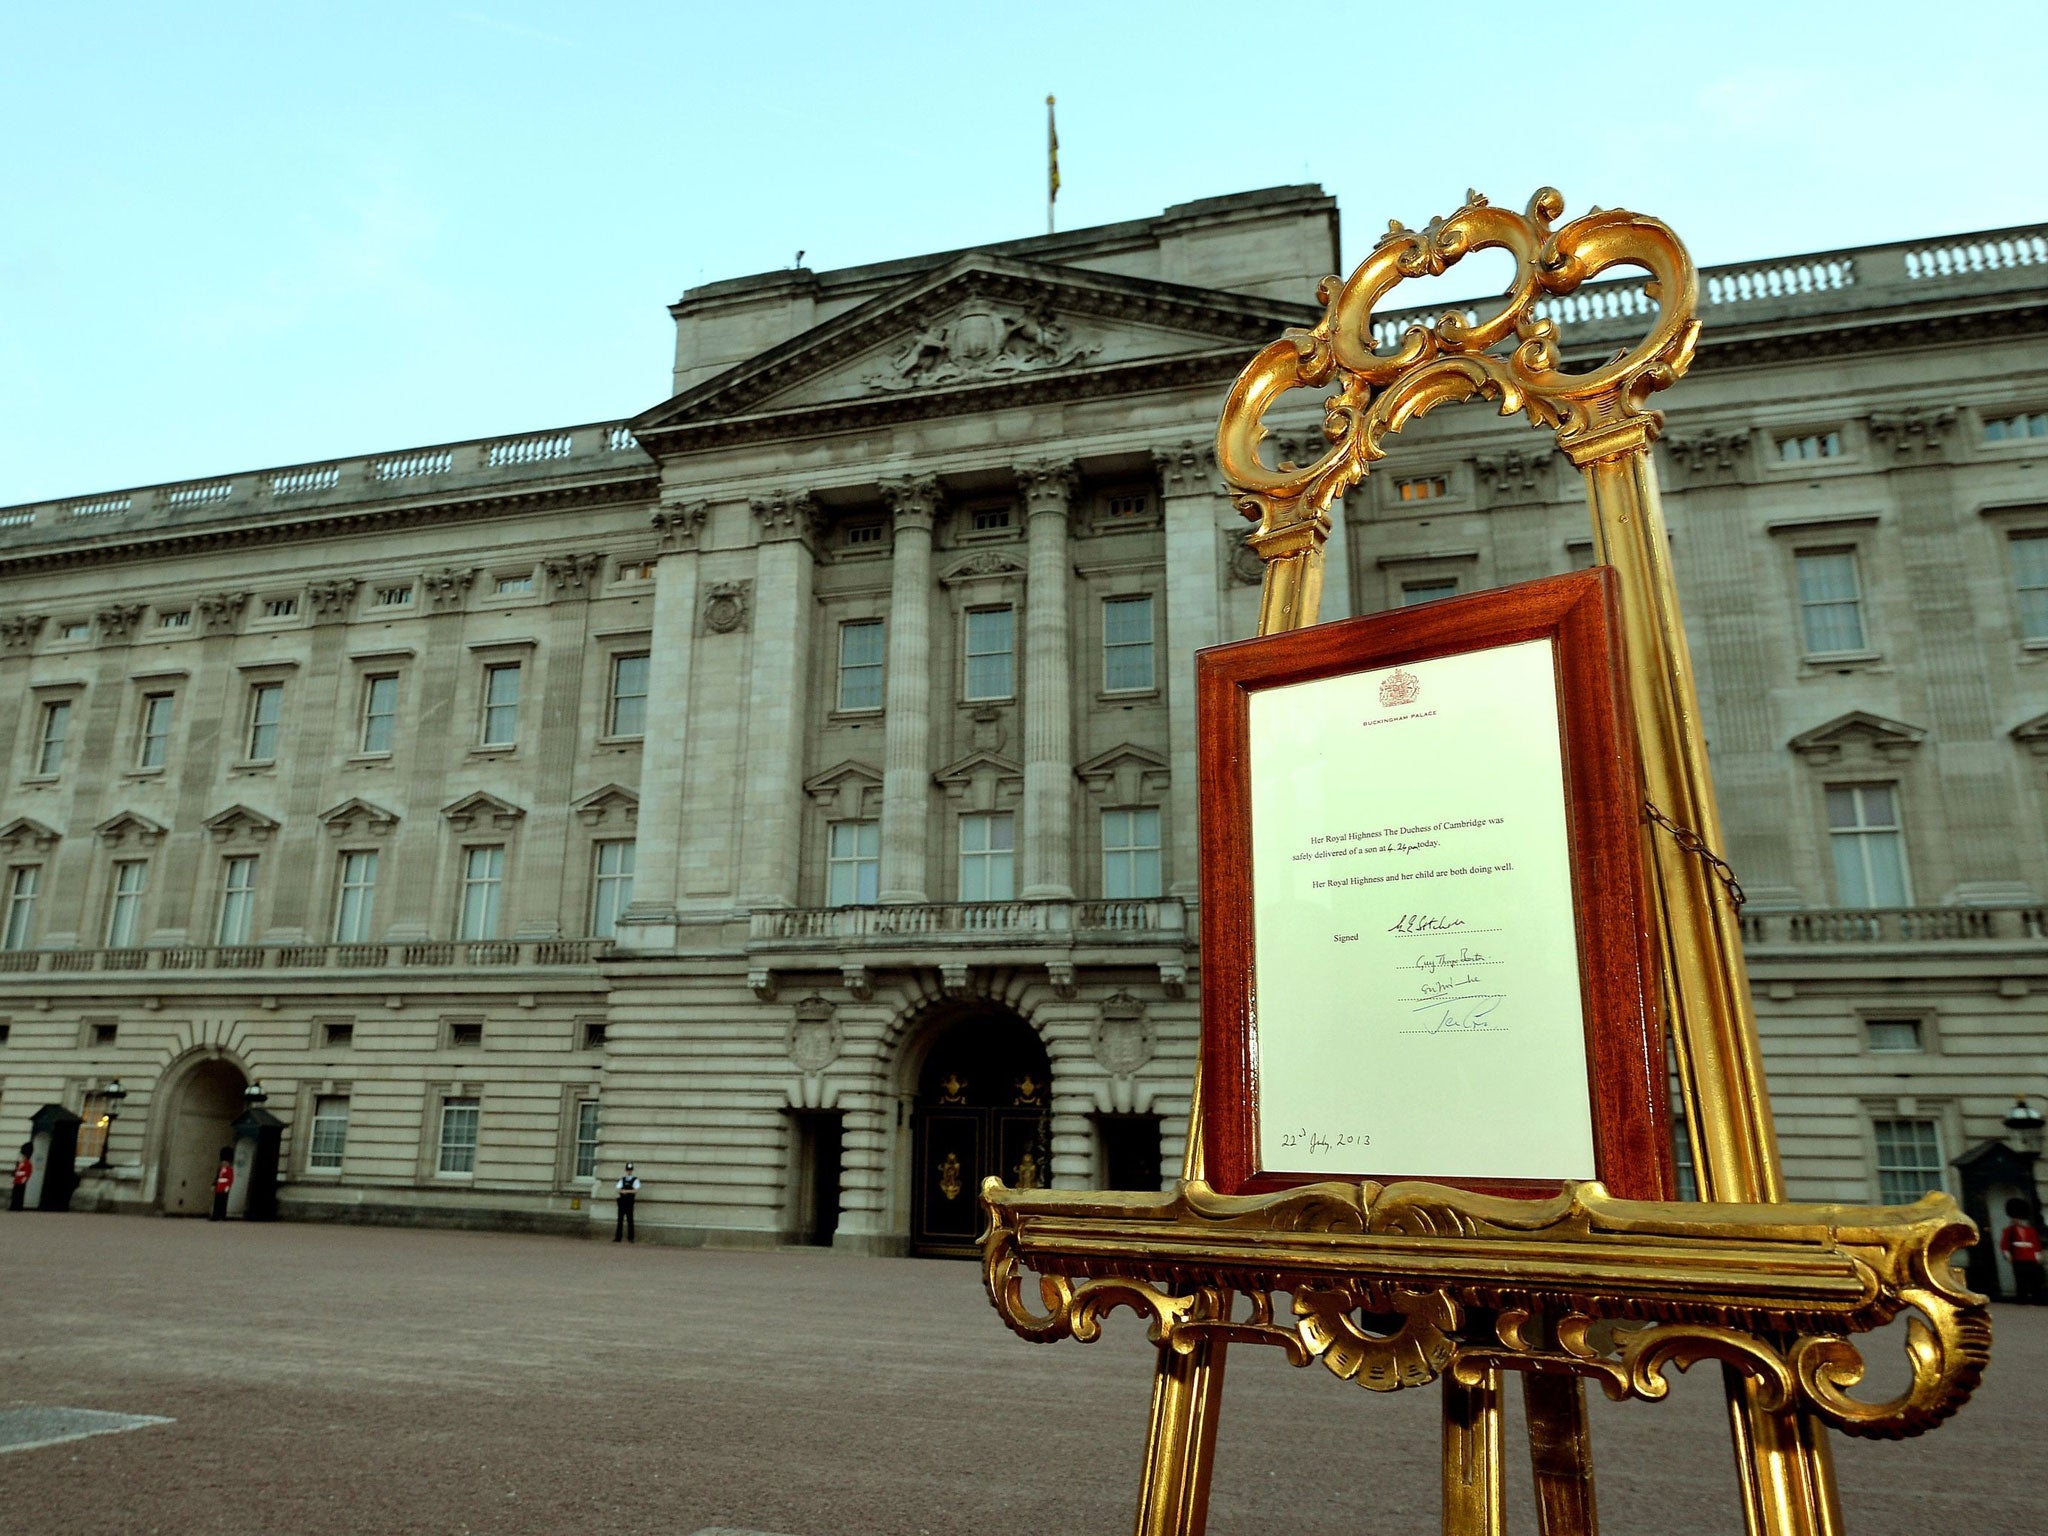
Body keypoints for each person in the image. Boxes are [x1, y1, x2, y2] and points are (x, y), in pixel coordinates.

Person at [2001, 1197, 2045, 1304]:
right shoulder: (2009, 1230)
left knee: (2034, 1280)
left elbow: (2036, 1244)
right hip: (2018, 1257)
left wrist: (2037, 1256)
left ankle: (2036, 1298)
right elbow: (2004, 1244)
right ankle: (2022, 1299)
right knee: (2021, 1281)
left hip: (2030, 1258)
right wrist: (2007, 1255)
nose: (2016, 1220)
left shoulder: (2031, 1230)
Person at [614, 1162, 641, 1243]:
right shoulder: (622, 1179)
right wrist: (622, 1191)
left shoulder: (635, 1180)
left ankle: (630, 1237)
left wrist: (627, 1191)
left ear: (632, 1171)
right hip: (622, 1201)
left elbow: (636, 1190)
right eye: (628, 1170)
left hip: (629, 1201)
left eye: (630, 1170)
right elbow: (617, 1188)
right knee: (620, 1220)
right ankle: (618, 1237)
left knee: (630, 1219)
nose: (629, 1171)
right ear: (626, 1170)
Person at [210, 1148, 235, 1221]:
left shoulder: (230, 1170)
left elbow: (230, 1179)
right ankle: (215, 1215)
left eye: (225, 1162)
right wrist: (214, 1185)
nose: (223, 1163)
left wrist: (228, 1187)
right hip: (219, 1187)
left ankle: (222, 1215)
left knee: (223, 1202)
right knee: (217, 1202)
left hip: (224, 1187)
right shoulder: (220, 1169)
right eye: (223, 1162)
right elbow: (217, 1177)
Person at [9, 1143, 30, 1211]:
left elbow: (26, 1173)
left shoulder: (27, 1163)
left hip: (21, 1181)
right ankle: (13, 1206)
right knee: (15, 1194)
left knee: (19, 1195)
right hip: (17, 1181)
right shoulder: (21, 1163)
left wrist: (18, 1174)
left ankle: (18, 1207)